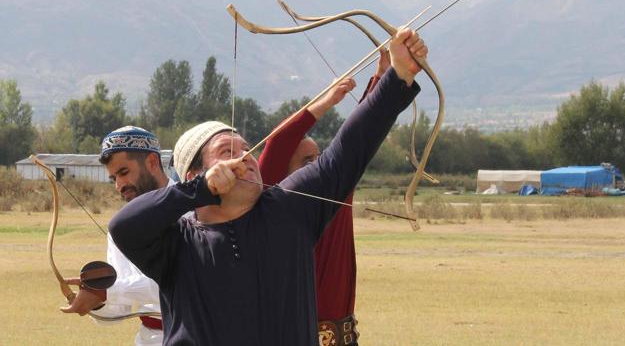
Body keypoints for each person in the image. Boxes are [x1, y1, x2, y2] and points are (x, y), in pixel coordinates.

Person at [109, 28, 427, 345]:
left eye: (246, 149)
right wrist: (199, 191)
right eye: (226, 152)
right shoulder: (177, 243)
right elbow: (125, 226)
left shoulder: (289, 209)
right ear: (195, 175)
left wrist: (398, 75)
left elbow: (346, 151)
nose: (245, 157)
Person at [258, 49, 391, 346]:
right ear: (280, 174)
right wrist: (327, 101)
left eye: (319, 157)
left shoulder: (337, 193)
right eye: (307, 161)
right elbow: (278, 143)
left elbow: (360, 134)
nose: (318, 166)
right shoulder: (273, 201)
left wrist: (384, 77)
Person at [61, 126, 174, 346]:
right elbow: (117, 311)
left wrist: (108, 290)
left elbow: (180, 282)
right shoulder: (122, 227)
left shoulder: (194, 208)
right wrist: (96, 301)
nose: (119, 185)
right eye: (113, 178)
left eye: (124, 173)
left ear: (152, 162)